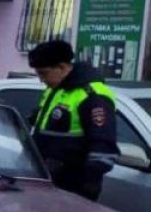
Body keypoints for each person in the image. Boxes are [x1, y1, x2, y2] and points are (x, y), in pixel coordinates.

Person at [28, 39, 119, 201]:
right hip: (47, 181)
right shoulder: (56, 90)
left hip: (74, 188)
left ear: (62, 67)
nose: (41, 80)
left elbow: (103, 148)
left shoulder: (93, 95)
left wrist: (86, 184)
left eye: (43, 73)